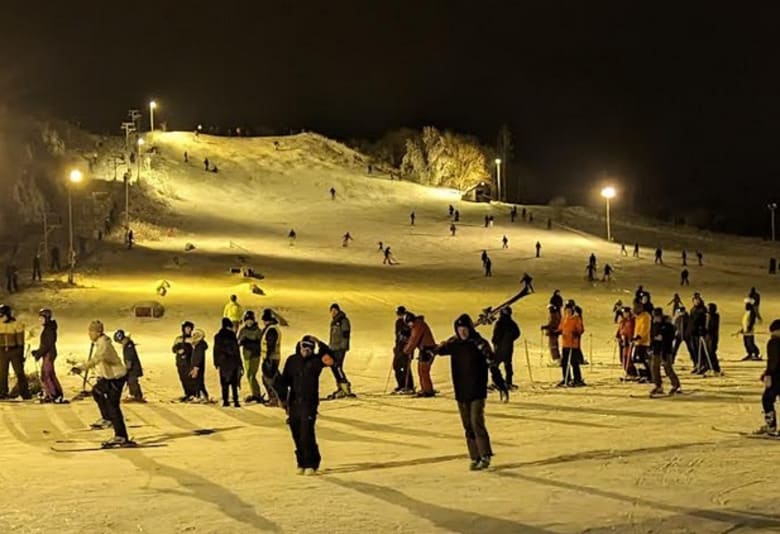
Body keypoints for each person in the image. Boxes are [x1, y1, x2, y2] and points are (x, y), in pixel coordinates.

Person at [434, 314, 508, 470]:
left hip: (477, 390)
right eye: (460, 330)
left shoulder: (479, 344)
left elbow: (492, 364)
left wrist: (500, 382)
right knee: (467, 425)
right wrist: (428, 351)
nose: (463, 332)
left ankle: (485, 454)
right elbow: (438, 350)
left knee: (476, 422)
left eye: (465, 329)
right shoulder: (454, 344)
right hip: (461, 391)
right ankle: (475, 456)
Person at [274, 335, 335, 475]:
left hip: (309, 403)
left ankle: (311, 463)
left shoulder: (315, 361)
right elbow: (285, 381)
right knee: (296, 433)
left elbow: (330, 358)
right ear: (299, 346)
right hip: (294, 403)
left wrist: (319, 342)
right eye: (304, 346)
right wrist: (278, 387)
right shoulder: (292, 361)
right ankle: (301, 462)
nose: (307, 349)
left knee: (306, 433)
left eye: (310, 347)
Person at [72, 320, 131, 447]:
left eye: (91, 331)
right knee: (97, 391)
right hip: (108, 377)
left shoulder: (104, 343)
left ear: (98, 332)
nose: (89, 334)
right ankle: (107, 419)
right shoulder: (99, 342)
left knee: (113, 405)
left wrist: (81, 368)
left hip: (117, 377)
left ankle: (121, 436)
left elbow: (97, 359)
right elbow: (101, 363)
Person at [32, 309, 65, 403]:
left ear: (46, 318)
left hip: (49, 354)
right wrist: (38, 351)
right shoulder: (49, 328)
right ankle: (56, 393)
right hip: (48, 353)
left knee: (46, 375)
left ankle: (53, 394)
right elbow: (45, 344)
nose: (40, 320)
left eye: (41, 318)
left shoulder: (49, 329)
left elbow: (47, 345)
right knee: (49, 374)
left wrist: (38, 353)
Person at [649, 308, 682, 396]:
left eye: (657, 316)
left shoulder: (667, 325)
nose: (655, 318)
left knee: (668, 368)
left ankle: (676, 385)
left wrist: (662, 337)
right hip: (656, 350)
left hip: (666, 350)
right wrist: (651, 347)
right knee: (654, 368)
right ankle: (658, 386)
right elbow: (652, 336)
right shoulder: (655, 324)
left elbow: (670, 337)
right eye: (654, 316)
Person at [404, 312, 437, 397]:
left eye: (409, 323)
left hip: (427, 349)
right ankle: (425, 389)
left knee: (423, 370)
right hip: (425, 349)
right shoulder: (417, 325)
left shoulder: (418, 326)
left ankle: (428, 391)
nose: (409, 325)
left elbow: (414, 340)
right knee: (421, 370)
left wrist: (407, 350)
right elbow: (413, 339)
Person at [0, 304, 29, 400]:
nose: (1, 318)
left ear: (7, 314)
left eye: (2, 315)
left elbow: (21, 342)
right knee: (2, 372)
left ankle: (25, 393)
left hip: (14, 351)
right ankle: (2, 392)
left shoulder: (16, 324)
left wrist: (21, 354)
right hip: (2, 351)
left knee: (19, 372)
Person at [756, 320, 780, 435]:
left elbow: (774, 360)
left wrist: (768, 373)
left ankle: (771, 426)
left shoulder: (774, 342)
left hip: (776, 376)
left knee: (767, 399)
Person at [213, 318, 242, 407]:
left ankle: (225, 400)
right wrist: (240, 363)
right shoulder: (232, 335)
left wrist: (216, 362)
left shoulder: (217, 336)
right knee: (234, 382)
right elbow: (236, 350)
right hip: (233, 361)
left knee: (224, 382)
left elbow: (215, 350)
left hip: (223, 362)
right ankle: (236, 401)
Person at [327, 304, 353, 398]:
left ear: (338, 311)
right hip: (333, 348)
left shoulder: (343, 320)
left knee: (338, 367)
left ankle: (345, 386)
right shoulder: (334, 322)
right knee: (334, 368)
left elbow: (346, 334)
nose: (333, 313)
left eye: (335, 311)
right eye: (332, 311)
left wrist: (343, 346)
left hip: (340, 348)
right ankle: (340, 386)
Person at [238, 310, 264, 403]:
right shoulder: (243, 330)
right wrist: (242, 342)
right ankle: (255, 393)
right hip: (246, 356)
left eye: (250, 320)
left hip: (254, 355)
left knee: (251, 375)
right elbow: (239, 341)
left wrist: (249, 342)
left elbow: (260, 344)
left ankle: (257, 394)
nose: (249, 322)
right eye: (247, 320)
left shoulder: (258, 331)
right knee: (249, 375)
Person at [492, 307, 520, 390]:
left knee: (495, 365)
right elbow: (517, 333)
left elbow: (496, 335)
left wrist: (495, 341)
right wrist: (510, 339)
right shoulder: (512, 323)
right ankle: (508, 382)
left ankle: (496, 382)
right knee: (508, 365)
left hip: (499, 348)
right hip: (508, 348)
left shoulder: (499, 323)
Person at [558, 302, 585, 387]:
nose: (568, 312)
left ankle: (577, 379)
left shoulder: (576, 319)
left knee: (574, 362)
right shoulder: (564, 319)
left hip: (573, 344)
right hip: (565, 344)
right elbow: (561, 328)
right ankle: (566, 378)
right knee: (564, 363)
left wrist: (576, 332)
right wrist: (556, 332)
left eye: (569, 310)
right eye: (566, 310)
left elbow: (581, 329)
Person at [114, 330, 144, 402]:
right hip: (133, 367)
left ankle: (136, 396)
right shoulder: (127, 345)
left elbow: (130, 357)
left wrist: (128, 367)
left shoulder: (128, 346)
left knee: (132, 381)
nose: (120, 343)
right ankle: (135, 395)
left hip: (133, 368)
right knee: (131, 381)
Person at [260, 309, 282, 406]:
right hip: (271, 358)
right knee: (272, 378)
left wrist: (268, 358)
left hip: (271, 358)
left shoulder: (271, 330)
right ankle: (277, 397)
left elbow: (270, 345)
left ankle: (274, 398)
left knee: (268, 379)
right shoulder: (272, 328)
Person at [172, 321, 197, 401]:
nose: (188, 330)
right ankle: (187, 393)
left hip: (189, 362)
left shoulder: (192, 339)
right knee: (183, 378)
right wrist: (178, 350)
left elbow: (195, 351)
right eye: (187, 328)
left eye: (190, 328)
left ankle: (192, 394)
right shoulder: (178, 339)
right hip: (180, 362)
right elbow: (173, 349)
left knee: (190, 379)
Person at [392, 306, 414, 393]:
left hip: (406, 348)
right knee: (396, 366)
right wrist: (396, 347)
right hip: (399, 348)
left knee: (405, 367)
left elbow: (412, 336)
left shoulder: (409, 321)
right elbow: (397, 336)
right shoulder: (398, 322)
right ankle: (401, 385)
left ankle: (408, 385)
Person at [687, 294, 709, 371]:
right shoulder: (693, 309)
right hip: (692, 332)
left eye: (698, 300)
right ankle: (696, 364)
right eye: (695, 300)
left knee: (700, 350)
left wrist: (702, 330)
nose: (696, 301)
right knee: (693, 350)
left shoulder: (703, 310)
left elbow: (704, 321)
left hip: (699, 333)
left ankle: (703, 365)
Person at [632, 301, 652, 382]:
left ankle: (647, 375)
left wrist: (639, 336)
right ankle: (641, 373)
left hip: (643, 342)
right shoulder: (638, 317)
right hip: (637, 342)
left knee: (641, 359)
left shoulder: (645, 316)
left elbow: (645, 328)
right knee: (635, 359)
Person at [617, 306, 637, 379]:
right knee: (623, 357)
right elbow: (620, 329)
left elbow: (633, 330)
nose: (625, 314)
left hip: (629, 340)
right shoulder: (623, 321)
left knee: (628, 356)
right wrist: (618, 336)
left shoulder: (632, 321)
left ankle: (632, 372)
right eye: (624, 313)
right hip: (623, 340)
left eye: (626, 312)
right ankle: (627, 371)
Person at [190, 329, 209, 402]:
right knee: (198, 382)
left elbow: (199, 357)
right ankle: (202, 396)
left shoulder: (200, 346)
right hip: (196, 366)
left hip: (198, 367)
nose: (193, 337)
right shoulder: (197, 345)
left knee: (199, 382)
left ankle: (200, 396)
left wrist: (196, 368)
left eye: (195, 335)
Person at [703, 302, 722, 374]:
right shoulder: (707, 315)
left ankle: (715, 367)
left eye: (709, 308)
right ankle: (708, 366)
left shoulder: (714, 316)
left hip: (712, 337)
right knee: (707, 351)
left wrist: (705, 330)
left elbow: (711, 327)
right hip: (707, 336)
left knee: (711, 352)